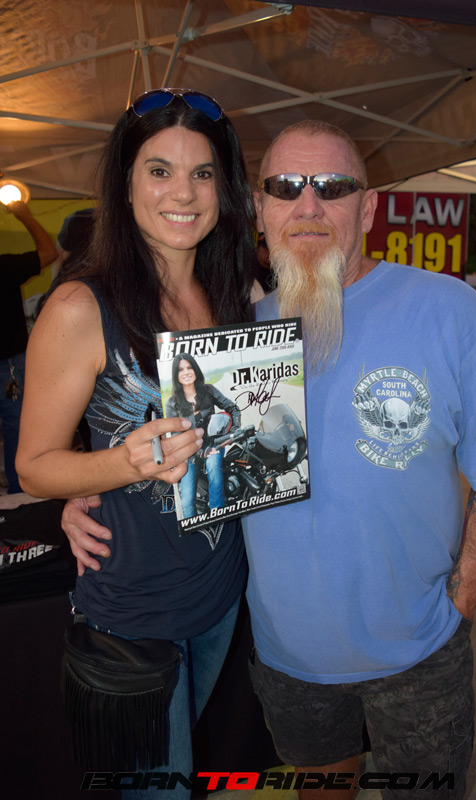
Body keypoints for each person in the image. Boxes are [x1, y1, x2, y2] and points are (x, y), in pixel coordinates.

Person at [60, 120, 476, 799]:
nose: (308, 206)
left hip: (420, 653)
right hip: (288, 660)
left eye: (332, 187)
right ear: (260, 209)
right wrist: (87, 489)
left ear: (366, 208)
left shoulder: (447, 310)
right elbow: (162, 447)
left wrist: (458, 605)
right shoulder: (234, 329)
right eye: (286, 187)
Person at [15, 88, 255, 797]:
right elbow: (33, 468)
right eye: (159, 170)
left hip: (221, 589)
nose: (183, 192)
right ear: (124, 185)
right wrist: (120, 464)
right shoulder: (79, 306)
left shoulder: (235, 293)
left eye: (203, 173)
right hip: (135, 608)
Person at [0, 199, 57, 493]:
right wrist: (24, 215)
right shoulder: (4, 266)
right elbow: (49, 252)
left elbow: (48, 254)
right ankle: (18, 494)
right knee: (16, 427)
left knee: (17, 428)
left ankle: (18, 493)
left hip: (10, 364)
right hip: (10, 363)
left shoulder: (5, 266)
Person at [165, 352, 240, 517]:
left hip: (214, 444)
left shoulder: (208, 390)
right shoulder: (171, 404)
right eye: (180, 370)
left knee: (214, 469)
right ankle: (194, 527)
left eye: (189, 367)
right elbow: (177, 439)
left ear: (195, 370)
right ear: (175, 375)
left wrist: (235, 429)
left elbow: (232, 408)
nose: (186, 372)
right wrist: (200, 452)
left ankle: (217, 515)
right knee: (186, 501)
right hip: (189, 453)